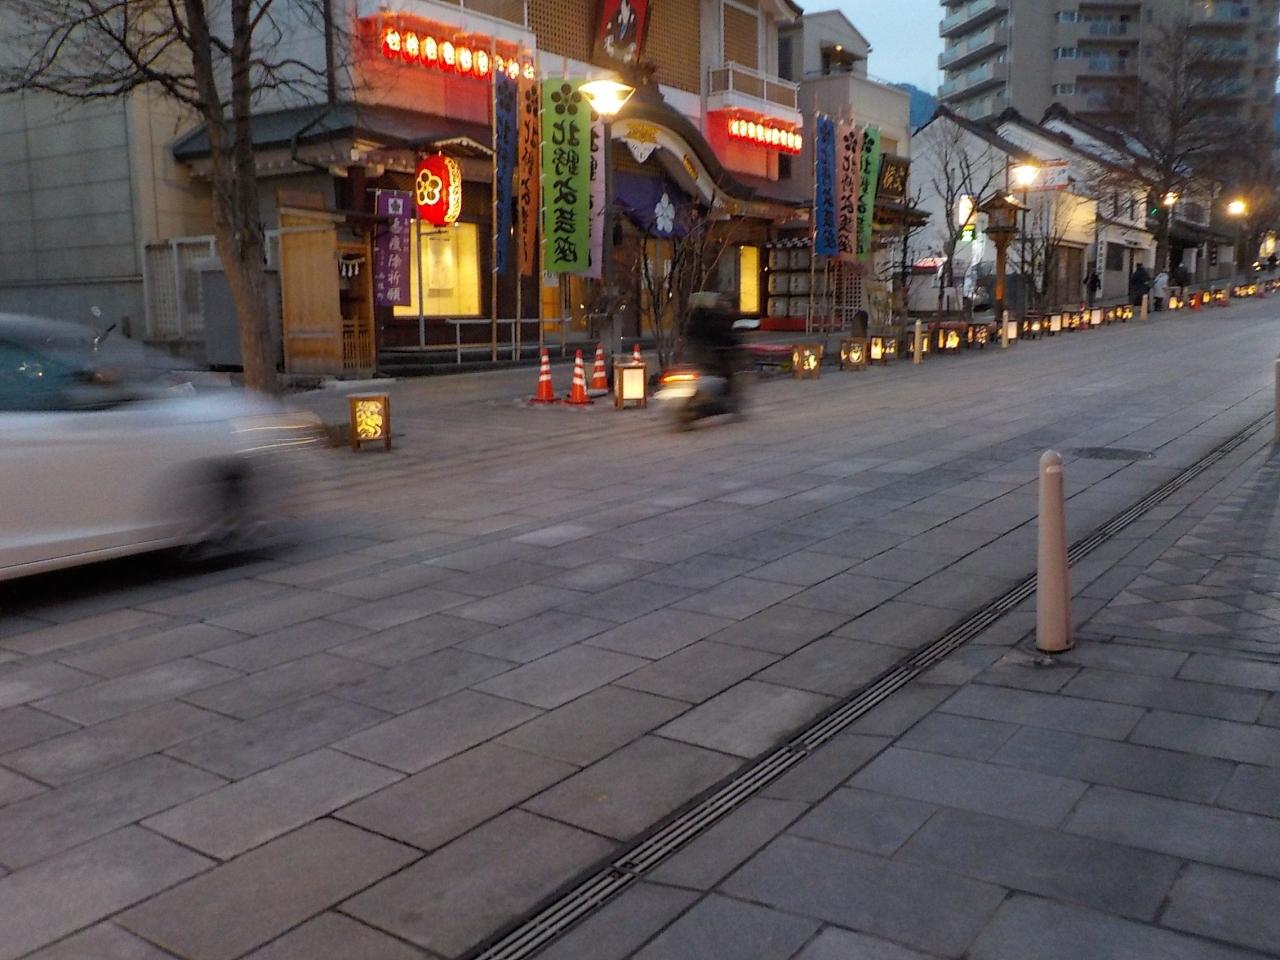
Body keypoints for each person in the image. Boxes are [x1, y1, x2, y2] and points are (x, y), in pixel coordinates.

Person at [683, 292, 740, 391]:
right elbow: (729, 340)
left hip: (695, 367)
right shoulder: (717, 320)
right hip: (715, 369)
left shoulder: (691, 321)